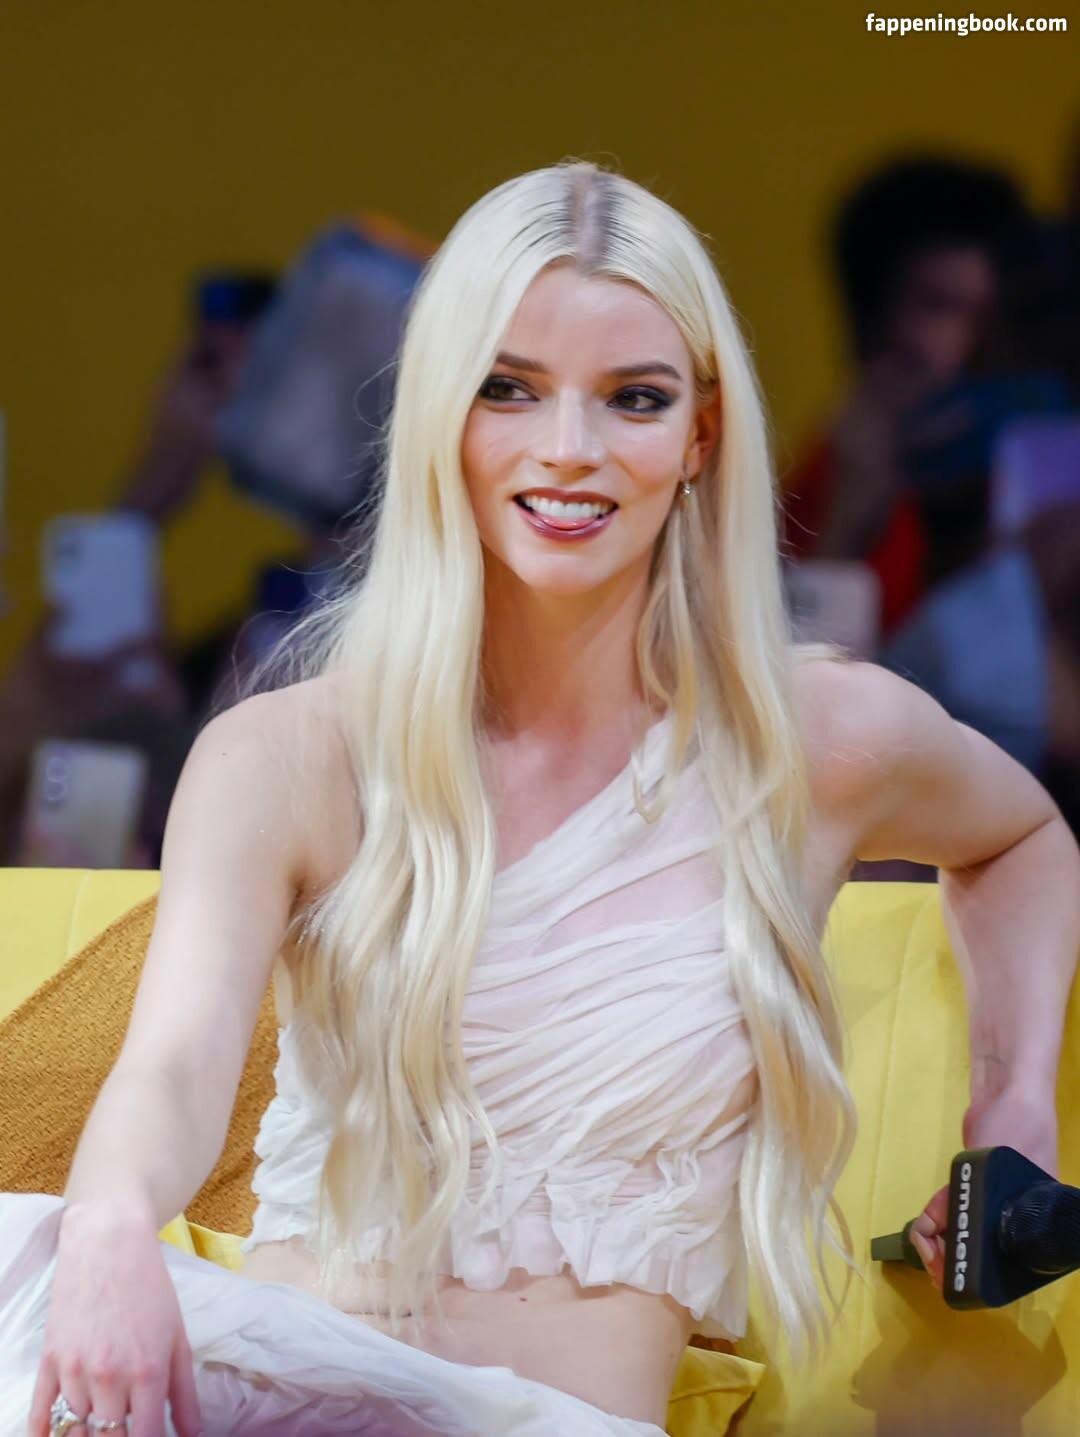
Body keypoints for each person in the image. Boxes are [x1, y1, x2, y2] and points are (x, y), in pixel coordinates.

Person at [1, 160, 1077, 1437]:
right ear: (439, 416)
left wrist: (1013, 1107)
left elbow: (1025, 836)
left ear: (701, 436)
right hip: (270, 1385)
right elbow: (177, 1067)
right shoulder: (287, 754)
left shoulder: (820, 740)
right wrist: (112, 1228)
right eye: (508, 388)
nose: (568, 448)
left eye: (634, 398)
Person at [782, 155, 1031, 636]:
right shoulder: (821, 490)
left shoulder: (1033, 474)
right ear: (872, 320)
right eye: (942, 305)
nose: (974, 344)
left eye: (991, 314)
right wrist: (847, 526)